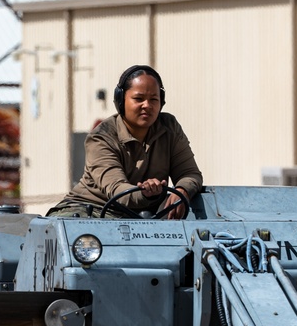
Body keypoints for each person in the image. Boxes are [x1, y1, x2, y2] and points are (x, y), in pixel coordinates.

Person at [58, 65, 202, 219]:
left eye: (153, 99)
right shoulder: (101, 137)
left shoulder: (169, 127)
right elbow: (118, 191)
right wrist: (146, 193)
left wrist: (182, 191)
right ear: (121, 100)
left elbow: (190, 173)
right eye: (138, 99)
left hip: (139, 217)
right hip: (89, 211)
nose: (147, 105)